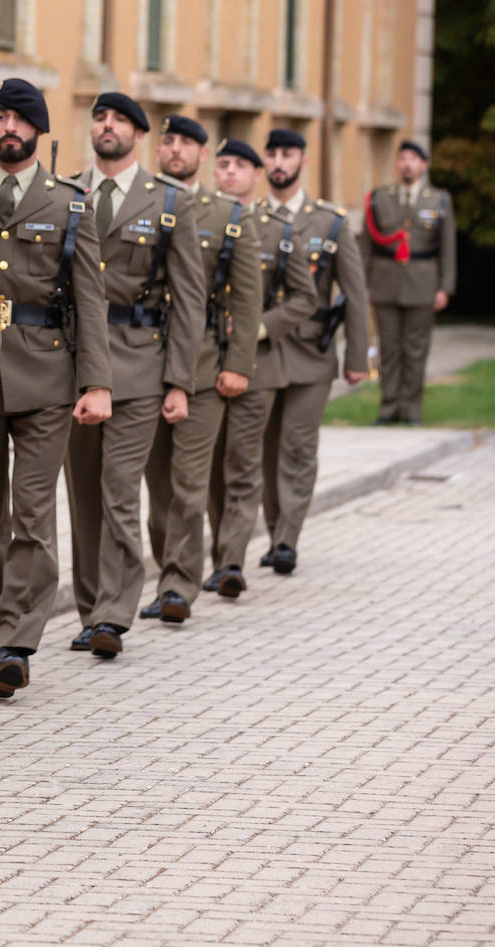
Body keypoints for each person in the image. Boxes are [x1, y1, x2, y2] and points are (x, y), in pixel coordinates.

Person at [0, 78, 111, 697]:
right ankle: (1, 628)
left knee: (33, 512)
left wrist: (96, 382)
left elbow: (90, 301)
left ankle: (17, 640)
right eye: (0, 116)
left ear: (39, 131)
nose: (8, 127)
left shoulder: (70, 203)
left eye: (20, 118)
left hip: (47, 375)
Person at [67, 92, 204, 660]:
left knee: (120, 488)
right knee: (83, 495)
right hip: (73, 362)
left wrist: (180, 381)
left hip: (140, 361)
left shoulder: (168, 202)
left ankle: (113, 613)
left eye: (120, 120)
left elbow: (190, 298)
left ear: (138, 136)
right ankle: (87, 607)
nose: (107, 126)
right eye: (100, 117)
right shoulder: (68, 193)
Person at [141, 116, 262, 624]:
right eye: (167, 140)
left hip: (204, 367)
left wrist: (239, 364)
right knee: (157, 490)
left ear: (203, 154)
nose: (174, 149)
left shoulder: (228, 215)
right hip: (145, 363)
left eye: (186, 142)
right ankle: (168, 569)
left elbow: (249, 297)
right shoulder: (141, 202)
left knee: (190, 485)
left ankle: (177, 585)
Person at [253, 128, 370, 576]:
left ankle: (287, 539)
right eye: (274, 154)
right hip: (264, 351)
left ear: (302, 159)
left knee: (298, 446)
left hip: (312, 353)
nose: (280, 161)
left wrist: (358, 358)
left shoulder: (330, 222)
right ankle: (273, 529)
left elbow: (355, 294)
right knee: (265, 449)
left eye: (288, 154)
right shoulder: (251, 217)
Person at [206, 139, 316, 594]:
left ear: (257, 174)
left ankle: (231, 562)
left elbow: (305, 298)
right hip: (207, 361)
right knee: (209, 467)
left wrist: (258, 329)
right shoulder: (202, 217)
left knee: (243, 463)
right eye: (223, 164)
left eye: (240, 166)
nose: (230, 173)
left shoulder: (277, 229)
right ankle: (218, 552)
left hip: (259, 365)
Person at [360, 139, 456, 425]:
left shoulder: (438, 199)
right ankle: (389, 406)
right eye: (402, 159)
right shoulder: (379, 198)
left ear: (424, 165)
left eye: (413, 159)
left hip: (422, 281)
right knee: (388, 348)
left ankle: (412, 407)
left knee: (416, 348)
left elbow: (448, 247)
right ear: (397, 164)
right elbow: (366, 245)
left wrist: (445, 287)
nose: (407, 164)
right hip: (385, 279)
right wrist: (363, 284)